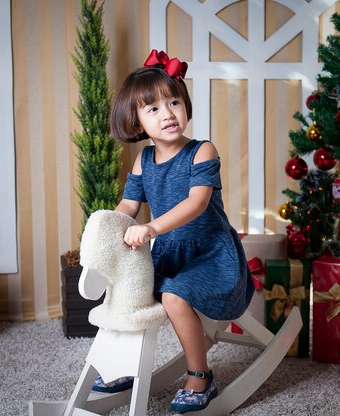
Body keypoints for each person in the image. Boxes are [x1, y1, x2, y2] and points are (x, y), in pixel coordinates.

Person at [91, 49, 254, 413]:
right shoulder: (143, 160)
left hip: (210, 252)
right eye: (153, 109)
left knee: (174, 297)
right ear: (136, 121)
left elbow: (195, 203)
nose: (167, 114)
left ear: (185, 105)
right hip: (169, 251)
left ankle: (200, 376)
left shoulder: (201, 151)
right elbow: (127, 207)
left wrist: (150, 228)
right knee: (127, 292)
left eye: (174, 102)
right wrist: (108, 230)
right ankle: (122, 365)